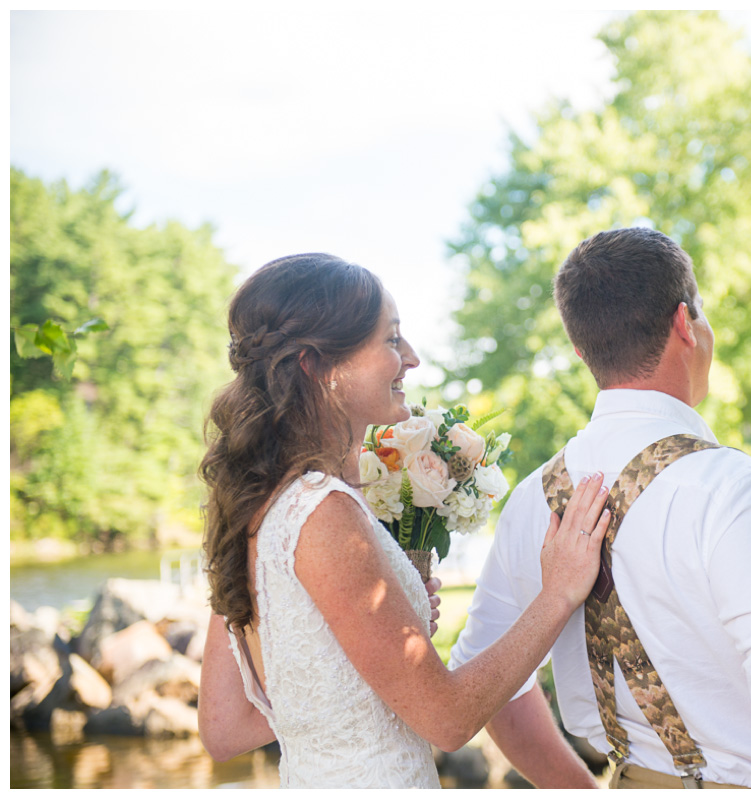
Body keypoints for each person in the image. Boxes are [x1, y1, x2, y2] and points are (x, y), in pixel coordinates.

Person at [449, 228, 751, 789]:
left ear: (581, 350)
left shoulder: (533, 498)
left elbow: (491, 685)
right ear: (686, 323)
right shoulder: (730, 487)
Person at [196, 253, 609, 788]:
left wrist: (379, 656)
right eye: (391, 340)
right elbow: (448, 720)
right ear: (317, 366)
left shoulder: (255, 507)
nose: (411, 358)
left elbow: (224, 728)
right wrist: (557, 593)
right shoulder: (323, 512)